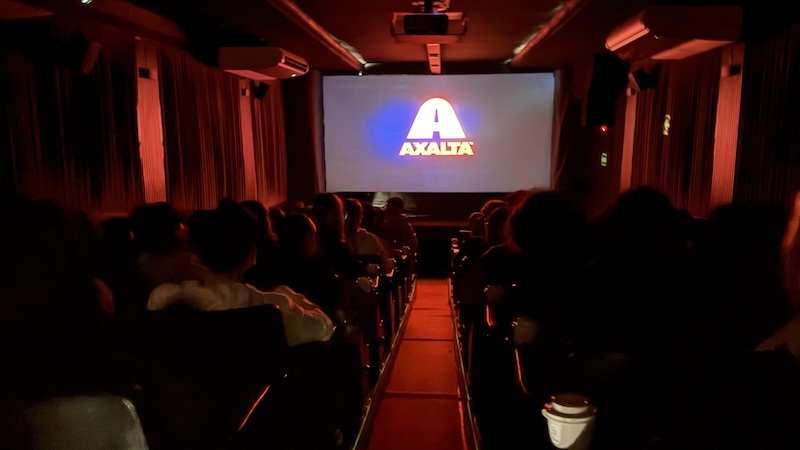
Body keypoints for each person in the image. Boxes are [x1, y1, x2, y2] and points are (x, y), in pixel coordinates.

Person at [146, 199, 335, 347]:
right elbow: (323, 327)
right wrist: (286, 293)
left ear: (196, 257)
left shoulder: (164, 300)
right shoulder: (273, 306)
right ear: (252, 257)